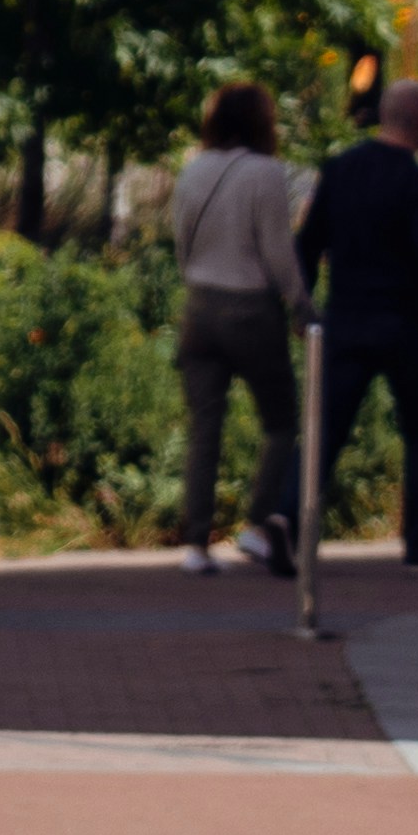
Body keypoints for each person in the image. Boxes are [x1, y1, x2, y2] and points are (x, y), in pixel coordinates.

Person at [299, 79, 418, 571]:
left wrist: (302, 306)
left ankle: (286, 517)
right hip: (402, 324)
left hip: (345, 320)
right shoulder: (416, 187)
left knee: (326, 431)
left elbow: (307, 243)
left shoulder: (338, 171)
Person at [169, 78, 308, 571]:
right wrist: (301, 303)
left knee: (205, 428)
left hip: (199, 307)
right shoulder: (266, 173)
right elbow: (277, 248)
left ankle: (197, 543)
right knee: (282, 421)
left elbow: (180, 239)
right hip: (249, 308)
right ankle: (257, 522)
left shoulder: (192, 169)